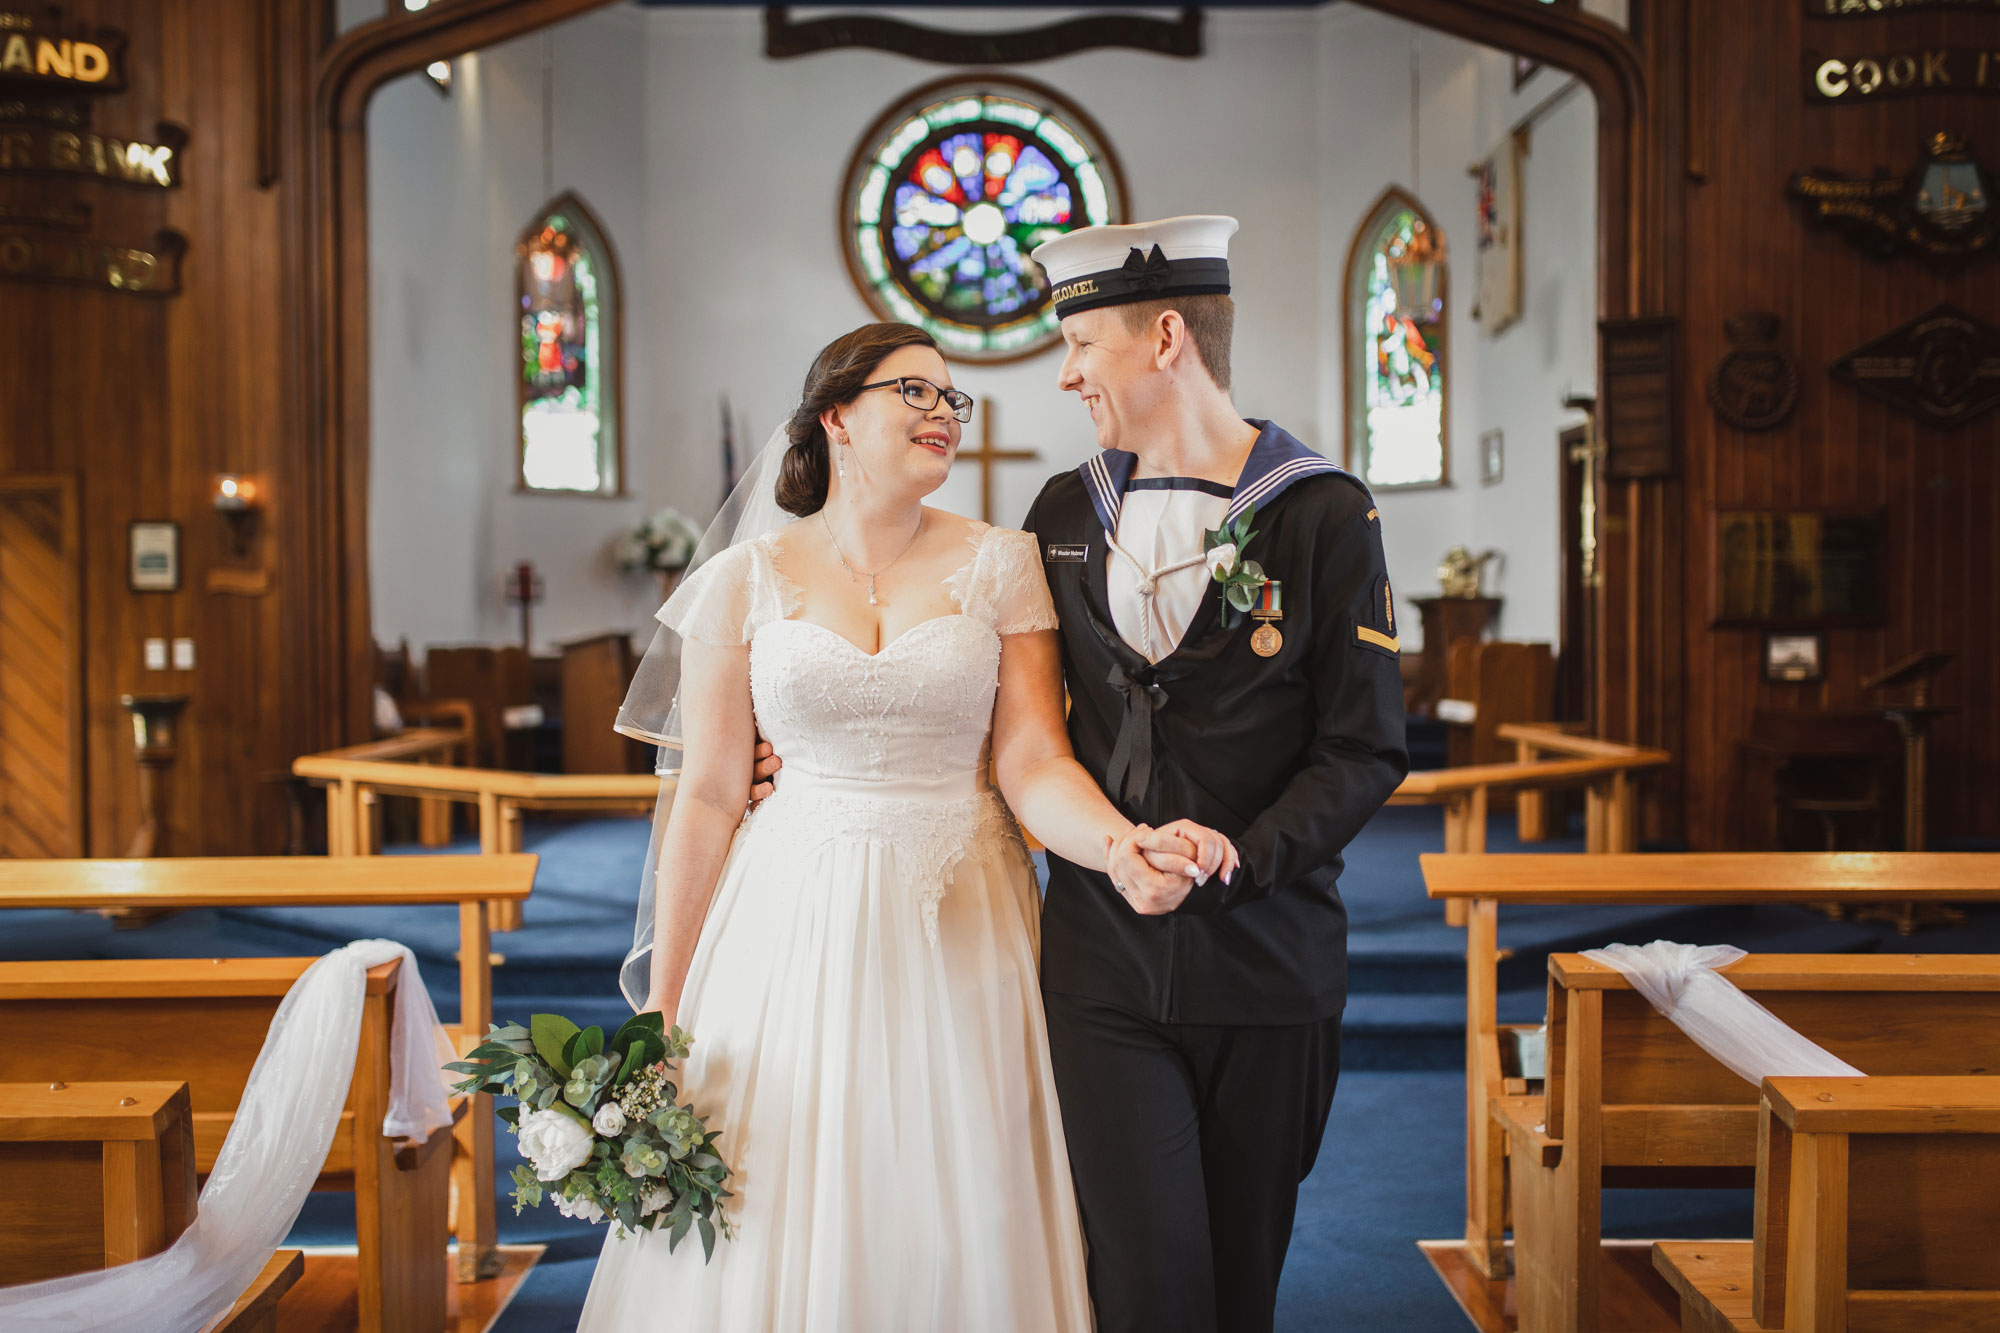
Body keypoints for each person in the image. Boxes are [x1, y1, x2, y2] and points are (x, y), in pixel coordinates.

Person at [578, 320, 1236, 1332]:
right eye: (914, 393)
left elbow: (1030, 759)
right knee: (784, 1177)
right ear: (835, 415)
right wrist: (659, 1011)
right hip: (789, 919)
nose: (942, 416)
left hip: (962, 909)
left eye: (950, 399)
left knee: (959, 1180)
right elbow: (708, 795)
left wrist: (1113, 840)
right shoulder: (742, 580)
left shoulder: (1004, 564)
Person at [1021, 216, 1409, 1333]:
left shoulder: (1323, 509)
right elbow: (1013, 720)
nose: (1064, 374)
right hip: (1101, 964)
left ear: (1163, 336)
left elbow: (1362, 744)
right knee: (1142, 1284)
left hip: (1268, 962)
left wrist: (1242, 852)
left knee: (1237, 1289)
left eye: (1080, 342)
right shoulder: (1059, 515)